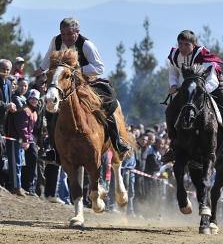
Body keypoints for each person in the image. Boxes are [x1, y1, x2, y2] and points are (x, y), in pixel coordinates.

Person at [35, 17, 130, 165]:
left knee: (109, 100)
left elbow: (99, 67)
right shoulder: (56, 41)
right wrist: (39, 70)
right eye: (63, 33)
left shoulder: (87, 45)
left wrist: (77, 70)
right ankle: (55, 150)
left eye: (69, 34)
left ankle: (117, 140)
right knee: (50, 109)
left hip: (87, 84)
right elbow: (48, 59)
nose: (65, 37)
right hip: (64, 87)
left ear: (77, 32)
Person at [161, 30, 223, 169]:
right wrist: (173, 84)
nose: (182, 48)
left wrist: (201, 90)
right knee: (170, 111)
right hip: (191, 87)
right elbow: (173, 71)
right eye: (180, 44)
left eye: (186, 45)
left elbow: (212, 79)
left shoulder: (204, 56)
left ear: (194, 45)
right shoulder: (175, 55)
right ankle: (173, 146)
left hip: (214, 86)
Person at [5, 89, 39, 197]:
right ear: (28, 98)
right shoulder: (24, 110)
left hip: (22, 141)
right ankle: (15, 187)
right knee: (15, 163)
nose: (34, 100)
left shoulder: (33, 112)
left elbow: (30, 129)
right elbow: (22, 127)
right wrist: (26, 140)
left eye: (36, 99)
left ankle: (18, 185)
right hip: (16, 139)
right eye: (32, 98)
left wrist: (28, 140)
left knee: (19, 163)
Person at [0, 59, 17, 189]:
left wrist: (12, 107)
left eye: (7, 69)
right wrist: (7, 106)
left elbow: (9, 102)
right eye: (3, 68)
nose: (5, 71)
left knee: (2, 152)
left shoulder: (9, 84)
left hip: (3, 124)